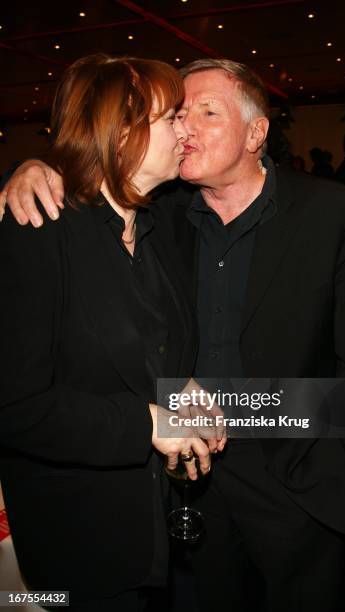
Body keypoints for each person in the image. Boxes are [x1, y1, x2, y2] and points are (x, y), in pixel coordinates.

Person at [0, 58, 345, 612]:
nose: (187, 128)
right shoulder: (163, 216)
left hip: (296, 481)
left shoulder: (333, 212)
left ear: (257, 133)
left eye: (207, 112)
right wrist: (30, 166)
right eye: (178, 113)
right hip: (186, 487)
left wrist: (340, 474)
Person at [0, 53, 220, 611]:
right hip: (78, 535)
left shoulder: (157, 223)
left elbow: (150, 346)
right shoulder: (39, 230)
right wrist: (148, 421)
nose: (185, 129)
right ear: (120, 131)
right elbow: (16, 407)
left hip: (149, 518)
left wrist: (181, 388)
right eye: (172, 117)